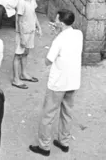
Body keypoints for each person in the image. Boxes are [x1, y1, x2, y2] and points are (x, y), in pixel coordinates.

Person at [29, 9, 83, 157]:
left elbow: (48, 61)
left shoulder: (58, 40)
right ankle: (64, 141)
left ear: (60, 22)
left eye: (57, 19)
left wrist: (56, 36)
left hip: (58, 83)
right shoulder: (79, 34)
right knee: (67, 112)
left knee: (48, 114)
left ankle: (44, 146)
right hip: (73, 80)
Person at [12, 0, 42, 89]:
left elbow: (34, 14)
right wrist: (22, 37)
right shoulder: (21, 2)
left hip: (31, 31)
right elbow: (19, 20)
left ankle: (23, 73)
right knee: (18, 55)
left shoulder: (32, 0)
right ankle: (16, 79)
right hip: (23, 33)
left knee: (25, 53)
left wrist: (38, 26)